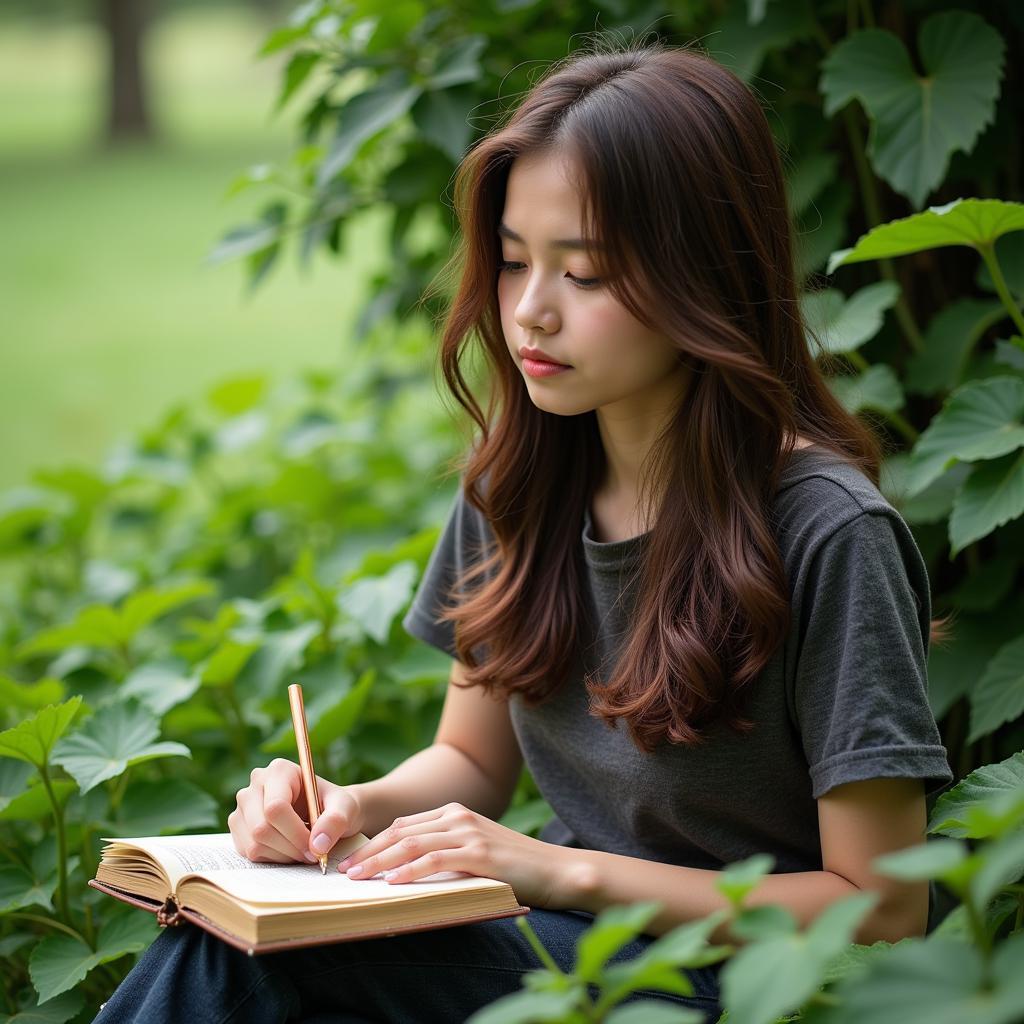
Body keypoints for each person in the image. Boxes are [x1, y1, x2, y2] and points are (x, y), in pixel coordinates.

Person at [93, 35, 954, 1024]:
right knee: (232, 944)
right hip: (551, 937)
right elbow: (470, 762)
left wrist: (556, 870)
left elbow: (882, 906)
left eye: (583, 275)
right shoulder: (519, 482)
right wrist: (349, 806)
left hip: (735, 978)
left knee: (253, 979)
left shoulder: (825, 530)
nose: (529, 313)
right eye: (511, 263)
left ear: (704, 278)